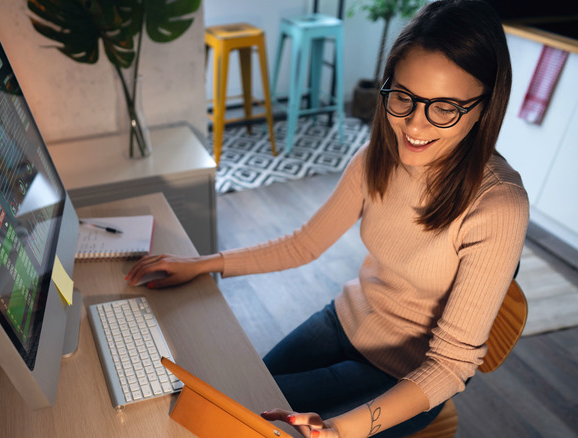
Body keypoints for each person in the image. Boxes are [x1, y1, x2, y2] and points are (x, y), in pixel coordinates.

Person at [126, 0, 529, 436]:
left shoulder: (498, 206)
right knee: (231, 400)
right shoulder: (377, 156)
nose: (413, 125)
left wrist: (344, 429)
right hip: (343, 321)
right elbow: (304, 244)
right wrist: (203, 263)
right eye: (403, 97)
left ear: (485, 106)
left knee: (240, 419)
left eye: (445, 108)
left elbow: (451, 365)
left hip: (405, 378)